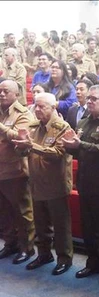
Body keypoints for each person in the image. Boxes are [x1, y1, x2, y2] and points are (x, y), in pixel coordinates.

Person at [61, 85, 99, 285]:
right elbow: (80, 152)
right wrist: (70, 148)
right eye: (88, 98)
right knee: (88, 227)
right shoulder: (83, 122)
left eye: (94, 98)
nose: (89, 101)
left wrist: (81, 145)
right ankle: (93, 262)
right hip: (86, 183)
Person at [12, 92, 73, 275]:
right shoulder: (33, 126)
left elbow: (57, 154)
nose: (37, 110)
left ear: (53, 107)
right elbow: (22, 152)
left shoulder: (62, 127)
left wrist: (32, 146)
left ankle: (64, 258)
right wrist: (21, 146)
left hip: (56, 183)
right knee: (40, 224)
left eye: (42, 107)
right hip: (36, 182)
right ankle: (44, 254)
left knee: (60, 225)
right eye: (35, 106)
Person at [0, 80, 35, 264]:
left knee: (22, 212)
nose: (2, 94)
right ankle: (10, 243)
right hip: (0, 170)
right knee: (4, 212)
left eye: (6, 91)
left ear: (16, 94)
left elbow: (21, 137)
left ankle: (26, 247)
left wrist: (2, 129)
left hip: (15, 171)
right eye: (0, 91)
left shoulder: (23, 114)